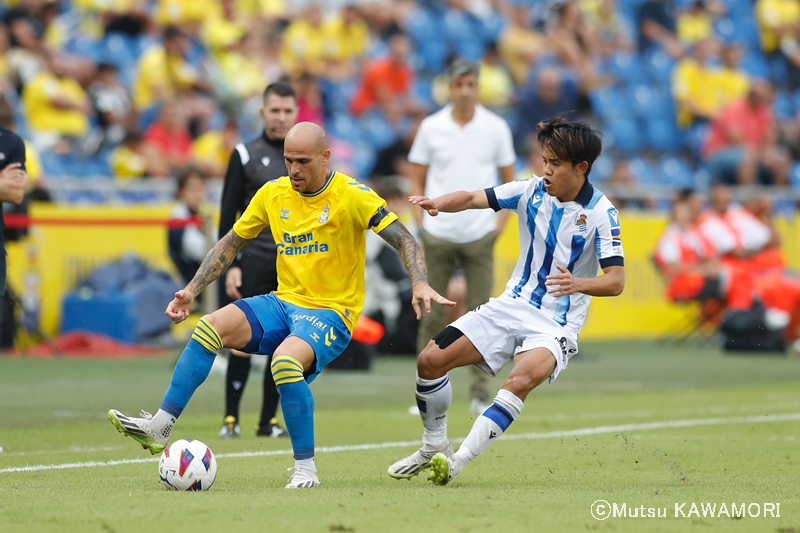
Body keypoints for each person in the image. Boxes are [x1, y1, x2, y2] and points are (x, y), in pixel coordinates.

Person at [108, 122, 453, 488]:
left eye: (302, 161)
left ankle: (306, 469)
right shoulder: (273, 193)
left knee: (284, 363)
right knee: (209, 327)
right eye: (288, 161)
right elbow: (230, 243)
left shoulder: (353, 195)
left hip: (331, 313)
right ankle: (160, 425)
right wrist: (192, 289)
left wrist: (419, 282)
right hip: (283, 302)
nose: (294, 170)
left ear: (325, 157)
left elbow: (405, 240)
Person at [388, 115, 625, 485]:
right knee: (430, 361)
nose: (545, 171)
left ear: (581, 168)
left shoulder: (601, 213)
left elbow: (615, 282)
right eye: (544, 161)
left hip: (556, 324)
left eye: (555, 164)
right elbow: (470, 197)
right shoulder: (529, 191)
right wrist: (436, 203)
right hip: (510, 305)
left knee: (519, 380)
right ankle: (435, 445)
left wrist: (577, 283)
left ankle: (457, 462)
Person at [409, 59, 516, 414]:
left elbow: (508, 180)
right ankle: (425, 390)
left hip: (479, 232)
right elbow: (416, 177)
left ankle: (479, 392)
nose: (465, 91)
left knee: (483, 313)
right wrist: (420, 225)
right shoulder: (431, 126)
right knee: (430, 314)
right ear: (450, 88)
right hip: (437, 232)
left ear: (478, 87)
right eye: (459, 85)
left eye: (471, 84)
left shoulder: (496, 127)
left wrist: (497, 227)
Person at [217, 82, 298, 440]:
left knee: (283, 346)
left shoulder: (305, 156)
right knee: (241, 341)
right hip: (251, 262)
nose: (281, 118)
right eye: (275, 110)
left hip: (292, 266)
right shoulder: (245, 154)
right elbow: (226, 217)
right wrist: (229, 265)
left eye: (287, 111)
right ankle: (230, 420)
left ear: (296, 115)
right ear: (263, 112)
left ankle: (268, 422)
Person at [168, 166, 208, 286]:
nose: (198, 195)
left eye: (201, 189)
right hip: (190, 285)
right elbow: (203, 252)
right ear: (180, 192)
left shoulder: (196, 214)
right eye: (193, 190)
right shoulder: (179, 217)